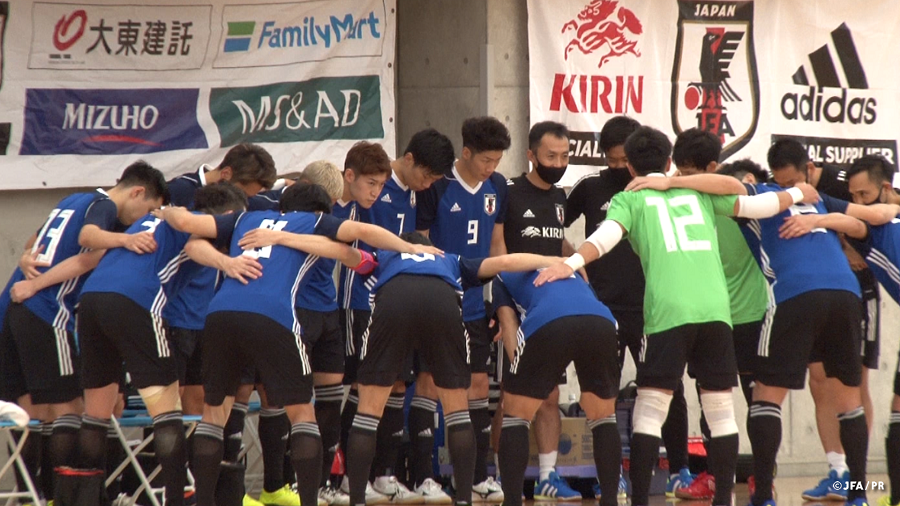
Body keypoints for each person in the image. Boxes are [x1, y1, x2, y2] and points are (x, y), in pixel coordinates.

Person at [536, 126, 820, 506]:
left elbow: (605, 237)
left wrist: (570, 263)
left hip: (669, 311)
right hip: (716, 311)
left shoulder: (630, 197)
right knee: (721, 411)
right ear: (669, 161)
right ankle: (724, 500)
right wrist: (800, 192)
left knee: (650, 411)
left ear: (631, 166)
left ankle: (638, 500)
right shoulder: (699, 192)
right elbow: (761, 205)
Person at [622, 142, 899, 506]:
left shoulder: (764, 195)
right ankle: (858, 494)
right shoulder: (815, 197)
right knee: (849, 398)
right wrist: (820, 219)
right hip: (847, 294)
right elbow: (870, 218)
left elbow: (727, 187)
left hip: (793, 295)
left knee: (766, 396)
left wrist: (669, 182)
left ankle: (764, 495)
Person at [154, 182, 441, 506]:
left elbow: (188, 230)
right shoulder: (313, 222)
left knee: (213, 415)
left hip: (220, 315)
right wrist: (410, 247)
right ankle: (308, 499)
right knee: (303, 413)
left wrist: (167, 213)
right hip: (274, 316)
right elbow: (362, 233)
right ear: (319, 211)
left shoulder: (245, 218)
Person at [55, 183, 248, 506]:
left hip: (91, 303)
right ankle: (175, 499)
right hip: (137, 302)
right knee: (167, 413)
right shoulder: (193, 223)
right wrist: (226, 264)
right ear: (227, 216)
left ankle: (84, 500)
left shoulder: (151, 220)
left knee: (96, 414)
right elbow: (195, 247)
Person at [347, 231, 561, 506]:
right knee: (458, 412)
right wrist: (555, 260)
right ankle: (464, 500)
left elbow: (346, 255)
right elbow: (505, 262)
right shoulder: (449, 259)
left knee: (367, 413)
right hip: (441, 299)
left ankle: (356, 500)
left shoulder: (385, 255)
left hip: (394, 298)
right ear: (432, 248)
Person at [0, 161, 169, 503]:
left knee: (29, 413)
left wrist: (25, 258)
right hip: (46, 309)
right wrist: (126, 240)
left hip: (12, 310)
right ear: (137, 192)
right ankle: (61, 498)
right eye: (147, 210)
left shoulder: (72, 200)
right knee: (70, 411)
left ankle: (30, 497)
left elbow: (36, 239)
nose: (142, 221)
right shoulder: (103, 207)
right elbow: (87, 242)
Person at [565, 116, 690, 499]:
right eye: (612, 160)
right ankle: (611, 474)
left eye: (625, 160)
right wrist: (571, 259)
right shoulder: (590, 187)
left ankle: (680, 470)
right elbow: (554, 225)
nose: (620, 167)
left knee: (668, 388)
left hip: (652, 307)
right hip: (603, 308)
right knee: (602, 392)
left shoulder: (663, 188)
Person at [336, 132, 455, 505]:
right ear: (408, 159)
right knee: (362, 386)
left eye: (435, 180)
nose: (429, 184)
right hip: (360, 299)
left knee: (397, 385)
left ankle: (384, 474)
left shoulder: (413, 193)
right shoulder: (367, 188)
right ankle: (347, 479)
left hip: (394, 301)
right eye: (427, 176)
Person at [764, 140, 883, 503]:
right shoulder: (779, 195)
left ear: (810, 170)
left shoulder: (835, 185)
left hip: (855, 289)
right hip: (814, 291)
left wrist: (829, 230)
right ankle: (838, 471)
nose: (789, 189)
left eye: (794, 183)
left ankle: (859, 482)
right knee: (819, 381)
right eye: (782, 184)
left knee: (853, 383)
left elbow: (867, 219)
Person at [165, 144, 280, 506]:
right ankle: (171, 489)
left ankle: (206, 489)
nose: (245, 208)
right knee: (168, 408)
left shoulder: (245, 209)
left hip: (209, 317)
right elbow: (182, 237)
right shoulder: (179, 192)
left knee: (203, 405)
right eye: (247, 193)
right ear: (227, 176)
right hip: (173, 315)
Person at [412, 117, 510, 502]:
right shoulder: (438, 185)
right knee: (429, 383)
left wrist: (501, 299)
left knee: (479, 385)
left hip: (474, 304)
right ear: (466, 152)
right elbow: (420, 242)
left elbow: (498, 245)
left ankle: (477, 477)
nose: (491, 167)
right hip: (439, 300)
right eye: (486, 160)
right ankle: (424, 477)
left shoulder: (498, 187)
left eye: (497, 160)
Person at [669, 130, 770, 500]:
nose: (683, 179)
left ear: (712, 168)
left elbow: (743, 188)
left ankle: (763, 478)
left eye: (690, 172)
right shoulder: (676, 200)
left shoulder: (735, 199)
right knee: (710, 400)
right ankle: (713, 474)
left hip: (750, 315)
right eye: (679, 171)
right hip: (708, 315)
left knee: (758, 402)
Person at [499, 120, 581, 502]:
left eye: (564, 156)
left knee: (549, 394)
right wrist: (502, 305)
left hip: (551, 309)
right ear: (531, 155)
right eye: (551, 156)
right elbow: (496, 250)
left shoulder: (560, 196)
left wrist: (579, 262)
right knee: (512, 398)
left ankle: (549, 476)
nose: (558, 163)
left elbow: (557, 242)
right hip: (515, 304)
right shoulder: (509, 191)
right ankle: (501, 478)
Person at [492, 268, 619, 506]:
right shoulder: (570, 268)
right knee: (603, 415)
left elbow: (508, 325)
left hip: (550, 320)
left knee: (515, 413)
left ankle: (512, 502)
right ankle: (610, 501)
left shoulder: (503, 275)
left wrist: (517, 381)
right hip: (603, 322)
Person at [842, 155, 900, 506]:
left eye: (864, 195)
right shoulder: (869, 224)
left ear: (886, 188)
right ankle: (879, 491)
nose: (859, 203)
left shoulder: (881, 219)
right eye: (853, 196)